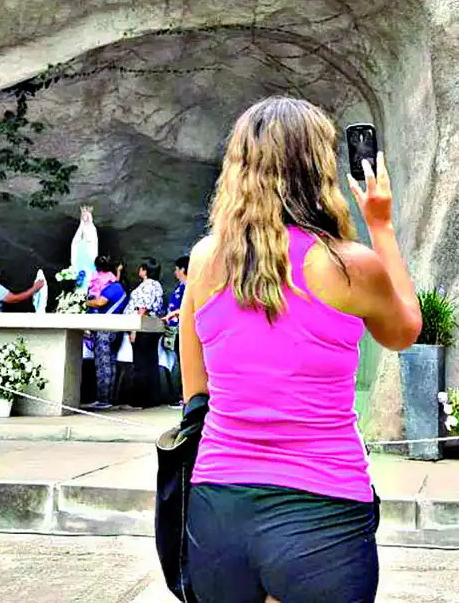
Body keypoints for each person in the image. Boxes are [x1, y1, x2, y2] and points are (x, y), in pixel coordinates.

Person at [180, 96, 422, 603]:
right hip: (324, 507)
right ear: (320, 169)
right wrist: (381, 224)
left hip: (219, 507)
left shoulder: (204, 261)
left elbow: (195, 396)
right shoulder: (350, 265)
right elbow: (404, 332)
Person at [84, 255, 128, 409]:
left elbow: (100, 302)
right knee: (110, 363)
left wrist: (84, 301)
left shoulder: (113, 287)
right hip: (115, 330)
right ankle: (108, 398)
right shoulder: (116, 285)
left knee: (104, 364)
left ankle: (104, 399)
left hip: (106, 330)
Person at [127, 257, 166, 408]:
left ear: (144, 270)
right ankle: (152, 397)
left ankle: (139, 399)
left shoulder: (146, 286)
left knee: (140, 363)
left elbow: (142, 308)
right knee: (151, 361)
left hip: (142, 326)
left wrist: (134, 330)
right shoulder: (157, 286)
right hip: (153, 327)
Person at [160, 254, 190, 401]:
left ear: (183, 269)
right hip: (176, 329)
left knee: (185, 362)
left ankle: (186, 395)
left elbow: (189, 307)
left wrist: (173, 314)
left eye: (177, 269)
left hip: (184, 329)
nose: (175, 272)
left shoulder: (189, 287)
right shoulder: (181, 287)